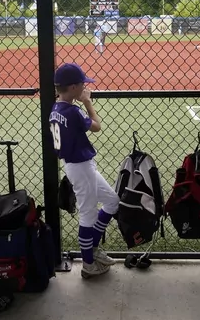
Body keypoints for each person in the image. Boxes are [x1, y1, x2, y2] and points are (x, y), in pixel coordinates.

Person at [48, 63, 119, 279]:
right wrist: (88, 102)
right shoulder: (73, 111)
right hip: (80, 167)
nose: (84, 88)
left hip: (78, 166)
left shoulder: (56, 108)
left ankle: (93, 248)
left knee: (112, 201)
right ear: (72, 88)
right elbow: (97, 125)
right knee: (87, 214)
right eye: (82, 85)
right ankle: (88, 263)